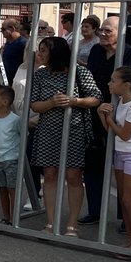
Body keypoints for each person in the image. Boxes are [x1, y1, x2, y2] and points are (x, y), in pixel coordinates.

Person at [28, 36, 102, 237]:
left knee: (74, 176)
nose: (40, 54)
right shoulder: (40, 75)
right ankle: (51, 223)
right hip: (47, 131)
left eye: (44, 50)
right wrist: (52, 103)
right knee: (50, 174)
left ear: (56, 53)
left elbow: (96, 98)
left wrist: (74, 100)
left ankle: (72, 225)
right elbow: (34, 104)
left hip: (75, 131)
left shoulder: (79, 72)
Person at [82, 16, 131, 226]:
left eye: (108, 31)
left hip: (124, 118)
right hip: (96, 115)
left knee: (125, 172)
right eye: (101, 30)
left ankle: (125, 218)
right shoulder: (95, 51)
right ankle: (95, 211)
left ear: (121, 33)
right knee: (93, 166)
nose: (102, 34)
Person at [97, 66, 131, 259]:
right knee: (124, 198)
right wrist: (102, 114)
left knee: (129, 199)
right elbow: (111, 131)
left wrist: (109, 119)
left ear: (126, 84)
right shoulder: (122, 101)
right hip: (121, 152)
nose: (109, 84)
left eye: (113, 81)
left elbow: (125, 134)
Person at [0, 85, 22, 224]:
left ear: (5, 102)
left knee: (12, 189)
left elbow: (23, 135)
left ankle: (14, 218)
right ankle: (6, 217)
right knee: (2, 188)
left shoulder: (15, 120)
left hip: (12, 159)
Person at [0, 19, 27, 85]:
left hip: (18, 81)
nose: (1, 31)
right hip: (7, 80)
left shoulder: (23, 43)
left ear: (12, 29)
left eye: (3, 29)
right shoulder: (8, 43)